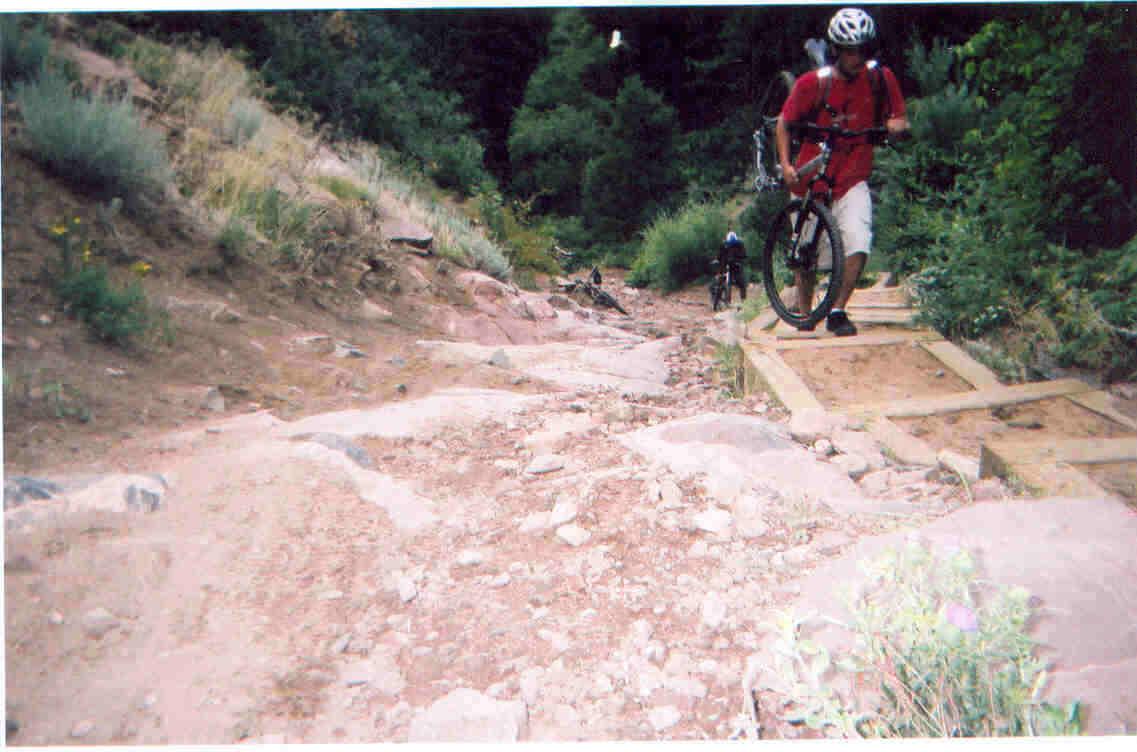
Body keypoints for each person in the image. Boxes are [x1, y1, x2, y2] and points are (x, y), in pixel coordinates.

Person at [775, 7, 909, 335]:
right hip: (811, 178)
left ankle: (837, 311)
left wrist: (895, 126)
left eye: (861, 49)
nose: (856, 56)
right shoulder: (813, 84)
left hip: (853, 176)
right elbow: (784, 124)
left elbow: (900, 118)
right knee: (805, 254)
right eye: (849, 50)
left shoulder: (880, 78)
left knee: (859, 241)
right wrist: (787, 165)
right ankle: (806, 314)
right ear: (835, 49)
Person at [717, 230, 747, 301]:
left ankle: (743, 300)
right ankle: (719, 298)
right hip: (727, 265)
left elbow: (744, 255)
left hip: (735, 265)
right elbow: (720, 255)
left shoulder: (738, 244)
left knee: (741, 283)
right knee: (721, 280)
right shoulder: (726, 245)